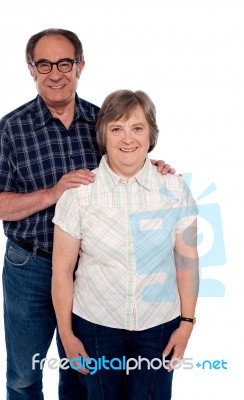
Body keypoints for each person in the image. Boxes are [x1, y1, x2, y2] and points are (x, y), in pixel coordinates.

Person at [0, 28, 174, 400]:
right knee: (25, 373)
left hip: (90, 270)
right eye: (44, 64)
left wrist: (158, 168)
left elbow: (131, 154)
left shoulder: (102, 121)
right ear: (31, 69)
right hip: (31, 266)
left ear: (80, 66)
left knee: (79, 371)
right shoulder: (11, 129)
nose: (55, 73)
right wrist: (53, 193)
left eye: (64, 62)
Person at [52, 89, 199, 400]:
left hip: (158, 326)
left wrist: (186, 324)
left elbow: (187, 262)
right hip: (94, 325)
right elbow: (62, 271)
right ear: (103, 134)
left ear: (151, 134)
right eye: (116, 128)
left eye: (137, 127)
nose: (127, 138)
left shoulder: (174, 188)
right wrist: (67, 336)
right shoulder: (79, 194)